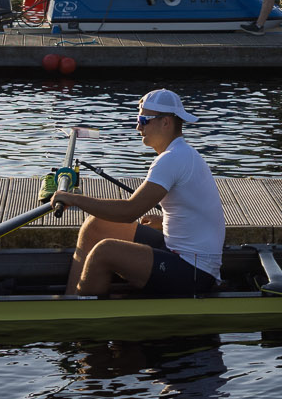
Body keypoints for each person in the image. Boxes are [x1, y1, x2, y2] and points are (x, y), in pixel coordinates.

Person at [50, 90, 226, 297]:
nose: (138, 127)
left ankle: (78, 317)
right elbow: (197, 209)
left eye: (144, 120)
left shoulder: (173, 158)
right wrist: (166, 220)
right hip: (177, 247)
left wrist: (73, 199)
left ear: (166, 122)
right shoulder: (182, 154)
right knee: (95, 226)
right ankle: (72, 298)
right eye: (138, 119)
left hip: (195, 271)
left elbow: (129, 212)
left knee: (105, 251)